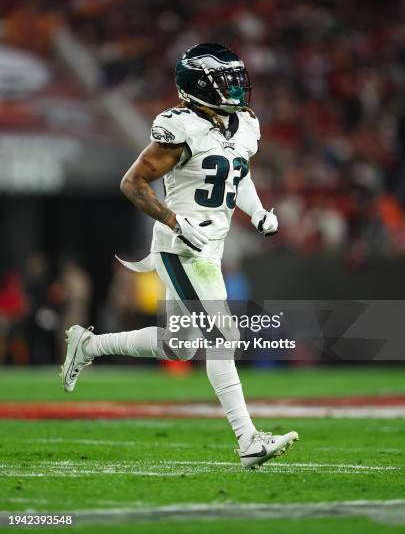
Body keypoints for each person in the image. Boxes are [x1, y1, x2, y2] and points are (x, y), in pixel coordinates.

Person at [61, 43, 298, 469]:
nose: (237, 89)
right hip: (181, 248)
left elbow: (236, 173)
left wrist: (258, 211)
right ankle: (248, 440)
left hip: (211, 248)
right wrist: (173, 222)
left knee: (181, 346)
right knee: (223, 339)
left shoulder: (241, 124)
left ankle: (89, 345)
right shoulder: (180, 127)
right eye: (227, 82)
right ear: (200, 85)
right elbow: (132, 183)